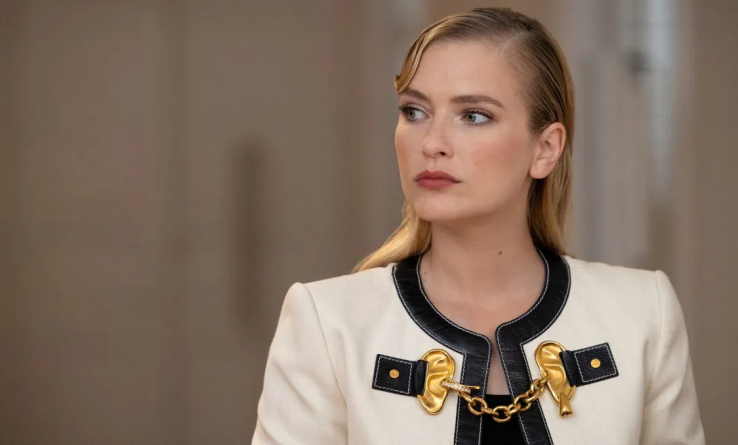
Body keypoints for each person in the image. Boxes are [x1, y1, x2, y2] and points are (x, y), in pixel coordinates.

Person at [251, 7, 704, 445]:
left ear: (546, 149)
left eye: (473, 116)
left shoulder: (643, 314)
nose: (432, 143)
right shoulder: (327, 324)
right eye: (414, 111)